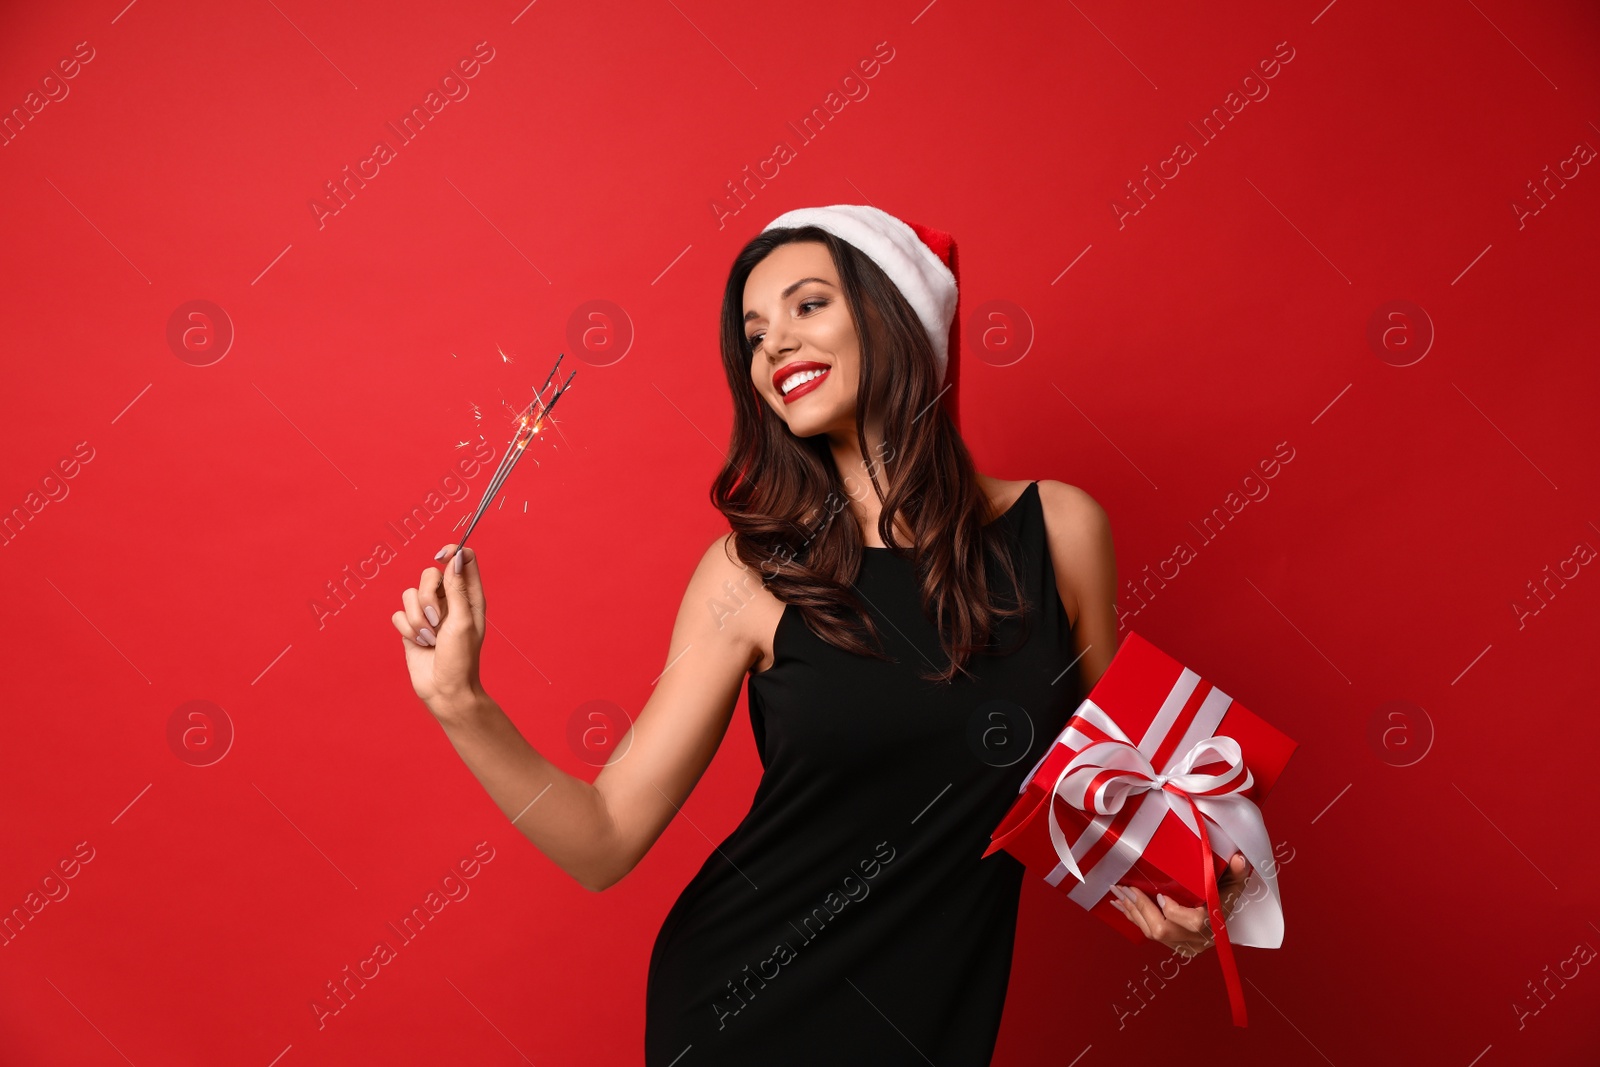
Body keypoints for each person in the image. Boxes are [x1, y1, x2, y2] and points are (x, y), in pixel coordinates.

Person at [391, 205, 1251, 1063]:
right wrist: (460, 701)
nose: (774, 348)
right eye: (754, 335)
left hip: (934, 1024)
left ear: (898, 315)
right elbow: (605, 837)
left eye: (808, 306)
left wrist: (1186, 888)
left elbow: (1119, 782)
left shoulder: (1058, 529)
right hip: (740, 1011)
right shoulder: (748, 576)